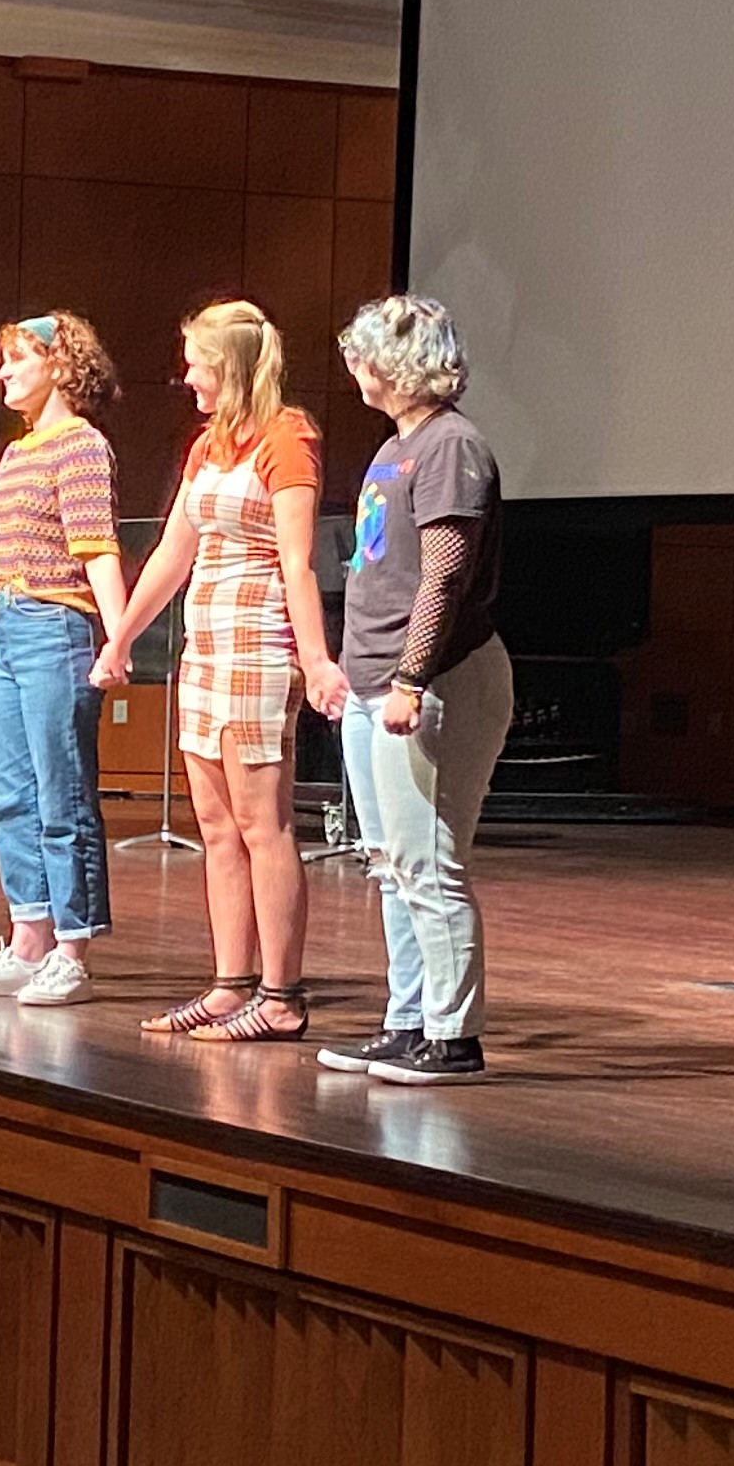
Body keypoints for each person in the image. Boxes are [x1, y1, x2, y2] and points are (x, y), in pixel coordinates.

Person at [93, 298, 330, 1044]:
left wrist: (317, 659)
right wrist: (120, 636)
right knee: (217, 827)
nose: (187, 378)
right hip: (206, 650)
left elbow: (297, 561)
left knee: (264, 825)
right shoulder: (206, 446)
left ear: (228, 366)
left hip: (259, 649)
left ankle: (282, 994)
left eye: (196, 364)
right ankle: (230, 985)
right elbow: (172, 552)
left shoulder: (286, 439)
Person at [312, 295, 511, 1085]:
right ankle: (408, 1019)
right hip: (372, 680)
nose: (354, 370)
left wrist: (409, 679)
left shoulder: (451, 447)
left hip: (432, 682)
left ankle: (453, 1037)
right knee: (390, 861)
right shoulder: (399, 446)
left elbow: (444, 578)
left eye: (363, 355)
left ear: (396, 364)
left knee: (429, 862)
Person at [0, 314, 133, 1007]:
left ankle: (71, 948)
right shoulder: (19, 453)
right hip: (14, 632)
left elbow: (97, 549)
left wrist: (118, 639)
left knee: (63, 794)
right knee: (11, 794)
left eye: (17, 359)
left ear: (58, 364)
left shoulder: (81, 446)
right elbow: (3, 565)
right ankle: (27, 940)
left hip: (60, 629)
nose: (3, 373)